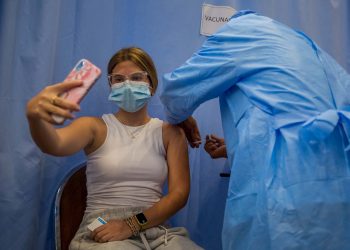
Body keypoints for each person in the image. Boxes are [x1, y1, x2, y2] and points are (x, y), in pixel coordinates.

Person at [160, 10, 350, 250]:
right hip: (337, 179)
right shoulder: (305, 45)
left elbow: (177, 92)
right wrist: (237, 149)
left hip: (285, 185)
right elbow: (317, 117)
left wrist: (180, 117)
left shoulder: (240, 32)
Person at [26, 47, 203, 249]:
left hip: (155, 228)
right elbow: (54, 144)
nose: (127, 84)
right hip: (103, 230)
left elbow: (179, 195)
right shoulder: (93, 127)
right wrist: (36, 119)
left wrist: (131, 224)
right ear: (110, 85)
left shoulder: (171, 133)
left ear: (151, 85)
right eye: (119, 79)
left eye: (137, 77)